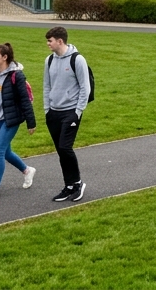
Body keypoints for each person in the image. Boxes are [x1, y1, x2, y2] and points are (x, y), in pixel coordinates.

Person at [0, 43, 37, 201]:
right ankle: (27, 170)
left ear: (5, 57)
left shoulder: (16, 75)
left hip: (11, 119)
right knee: (6, 152)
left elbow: (24, 101)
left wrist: (31, 123)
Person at [44, 26, 92, 202]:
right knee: (60, 151)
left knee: (65, 147)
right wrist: (47, 109)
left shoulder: (77, 60)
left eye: (50, 41)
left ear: (60, 41)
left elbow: (84, 88)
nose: (48, 44)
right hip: (54, 113)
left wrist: (77, 112)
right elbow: (47, 86)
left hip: (70, 112)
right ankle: (69, 185)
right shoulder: (49, 60)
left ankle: (78, 183)